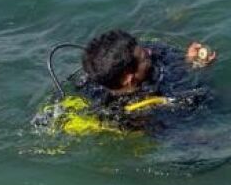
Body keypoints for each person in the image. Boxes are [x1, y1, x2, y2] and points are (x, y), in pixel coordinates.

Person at [78, 29, 218, 131]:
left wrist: (187, 60)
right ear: (129, 79)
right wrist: (195, 69)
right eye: (144, 57)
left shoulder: (98, 78)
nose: (150, 52)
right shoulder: (135, 115)